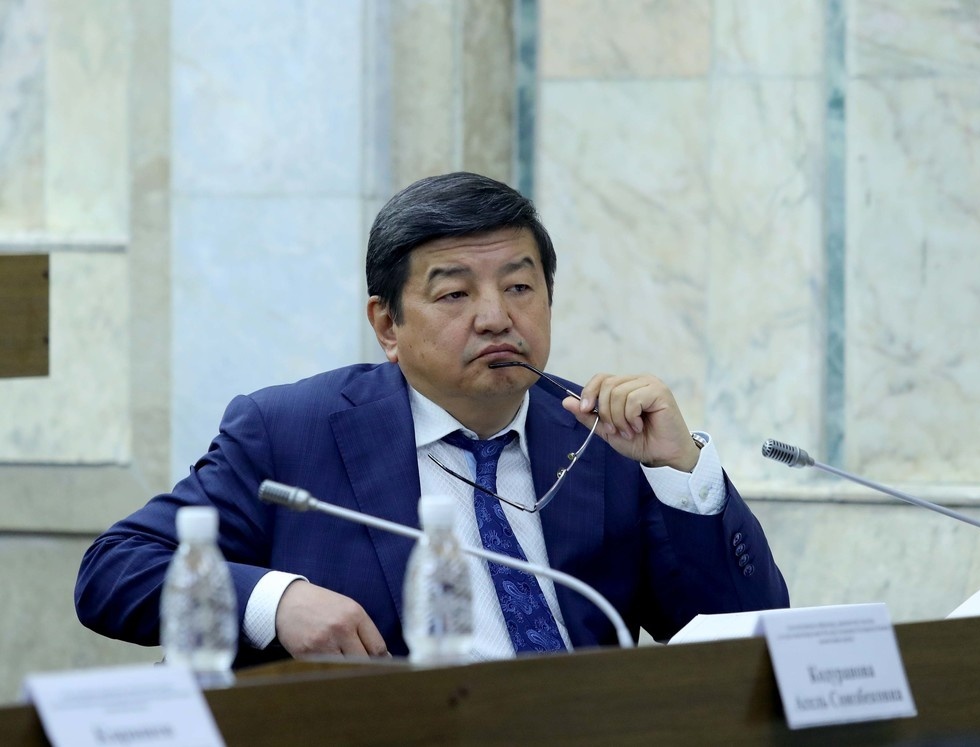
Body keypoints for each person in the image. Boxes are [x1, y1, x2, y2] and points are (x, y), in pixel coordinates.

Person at [75, 172, 788, 666]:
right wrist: (276, 601)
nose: (496, 317)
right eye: (455, 295)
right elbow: (115, 570)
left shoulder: (601, 434)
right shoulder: (291, 431)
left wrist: (681, 472)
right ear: (387, 325)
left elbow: (746, 638)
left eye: (520, 286)